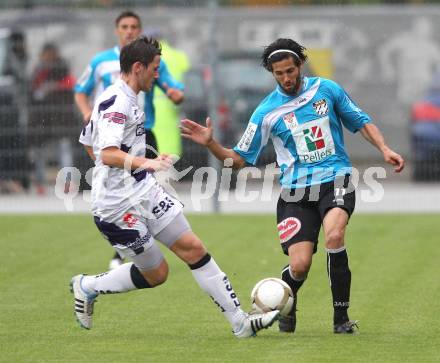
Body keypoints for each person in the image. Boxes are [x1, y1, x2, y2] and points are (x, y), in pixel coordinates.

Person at [181, 38, 405, 334]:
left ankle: (341, 319)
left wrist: (384, 149)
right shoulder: (266, 112)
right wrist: (211, 143)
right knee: (299, 266)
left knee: (335, 235)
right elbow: (237, 159)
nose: (286, 78)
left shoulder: (327, 89)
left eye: (290, 70)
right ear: (272, 74)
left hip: (335, 178)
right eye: (279, 73)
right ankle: (286, 300)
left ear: (300, 65)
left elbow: (361, 121)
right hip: (296, 193)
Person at [69, 36, 279, 338]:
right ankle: (86, 286)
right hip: (116, 208)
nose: (158, 74)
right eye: (155, 69)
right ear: (138, 67)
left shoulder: (125, 97)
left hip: (144, 192)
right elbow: (106, 153)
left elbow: (89, 141)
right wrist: (145, 165)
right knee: (157, 274)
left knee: (194, 249)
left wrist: (130, 173)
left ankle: (240, 323)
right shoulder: (117, 102)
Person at [74, 10, 184, 269]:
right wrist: (87, 113)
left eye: (134, 26)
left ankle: (131, 245)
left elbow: (169, 85)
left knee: (144, 188)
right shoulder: (100, 61)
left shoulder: (151, 61)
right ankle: (127, 244)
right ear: (117, 30)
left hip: (144, 132)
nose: (129, 31)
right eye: (124, 26)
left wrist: (174, 92)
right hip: (111, 135)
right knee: (115, 186)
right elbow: (80, 90)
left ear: (140, 29)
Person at [29, 42, 76, 194]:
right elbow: (32, 90)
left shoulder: (62, 67)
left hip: (60, 117)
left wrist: (53, 87)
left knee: (63, 148)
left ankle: (67, 182)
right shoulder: (38, 70)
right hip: (41, 118)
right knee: (39, 152)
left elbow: (71, 84)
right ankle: (40, 182)